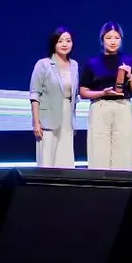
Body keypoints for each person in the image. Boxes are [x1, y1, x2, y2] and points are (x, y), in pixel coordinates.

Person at [78, 22, 132, 170]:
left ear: (121, 39)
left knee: (124, 152)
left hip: (123, 107)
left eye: (117, 38)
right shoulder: (92, 63)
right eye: (109, 37)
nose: (113, 41)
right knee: (98, 152)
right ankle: (100, 183)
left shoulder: (129, 61)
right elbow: (83, 91)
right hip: (100, 106)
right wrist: (102, 93)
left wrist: (130, 76)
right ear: (102, 39)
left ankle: (123, 183)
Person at [29, 26, 80, 168]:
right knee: (47, 160)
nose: (64, 44)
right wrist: (36, 122)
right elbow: (35, 94)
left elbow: (74, 96)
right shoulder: (43, 64)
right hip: (48, 118)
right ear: (54, 43)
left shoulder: (74, 65)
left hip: (67, 117)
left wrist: (74, 121)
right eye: (60, 41)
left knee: (65, 160)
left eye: (68, 41)